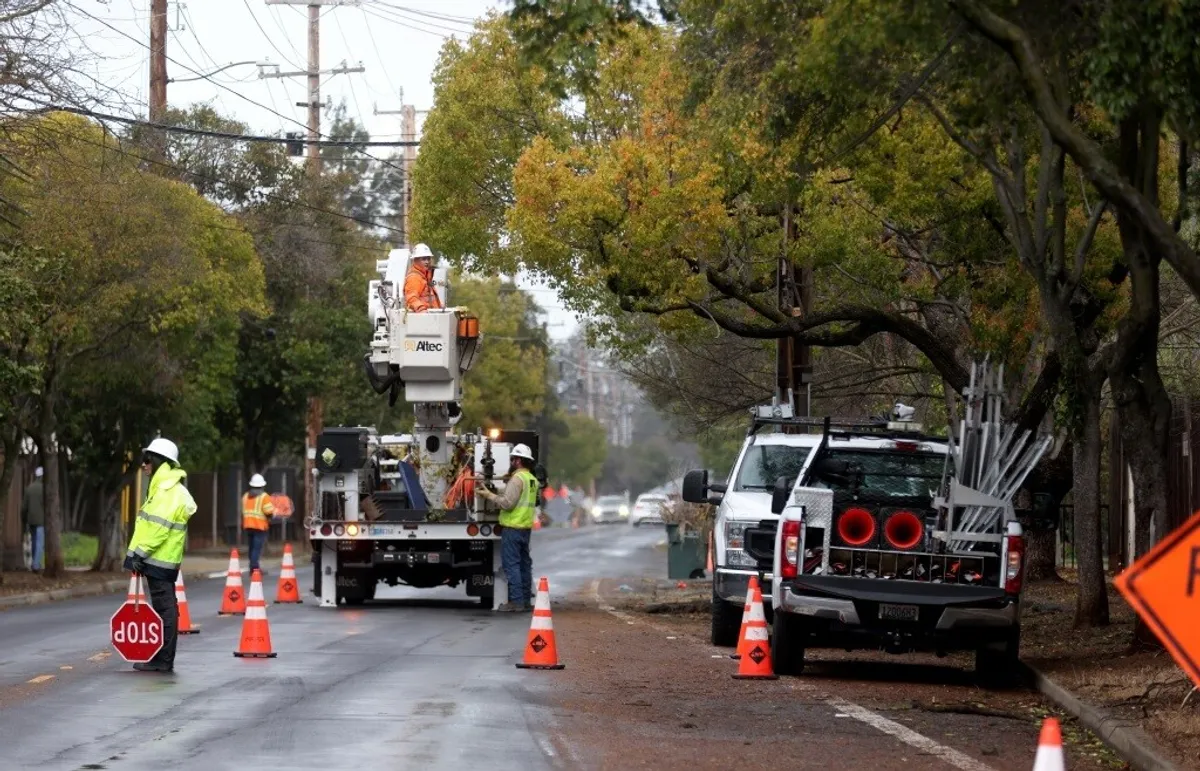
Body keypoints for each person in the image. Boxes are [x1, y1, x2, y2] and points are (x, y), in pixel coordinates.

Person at [123, 437, 197, 673]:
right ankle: (162, 658)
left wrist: (139, 554)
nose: (143, 465)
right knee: (165, 608)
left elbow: (158, 528)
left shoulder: (166, 491)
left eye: (147, 460)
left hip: (157, 560)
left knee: (165, 609)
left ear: (158, 460)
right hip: (161, 560)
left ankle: (163, 660)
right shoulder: (165, 487)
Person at [477, 443, 538, 612]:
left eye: (512, 459)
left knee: (512, 565)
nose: (511, 462)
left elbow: (507, 503)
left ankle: (516, 602)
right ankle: (525, 600)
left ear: (518, 461)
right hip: (525, 528)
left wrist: (488, 494)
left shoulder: (517, 479)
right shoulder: (531, 479)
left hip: (512, 527)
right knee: (524, 565)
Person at [242, 473, 276, 576]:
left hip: (248, 525)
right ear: (262, 485)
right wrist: (272, 515)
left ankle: (252, 567)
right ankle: (255, 569)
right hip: (259, 526)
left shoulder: (245, 496)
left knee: (251, 548)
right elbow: (268, 512)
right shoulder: (264, 496)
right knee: (256, 548)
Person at [403, 243, 443, 312]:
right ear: (415, 260)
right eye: (424, 259)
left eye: (428, 258)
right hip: (423, 318)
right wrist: (421, 309)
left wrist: (439, 308)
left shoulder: (425, 277)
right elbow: (411, 298)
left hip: (430, 317)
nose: (427, 262)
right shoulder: (414, 278)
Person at [20, 467, 45, 572]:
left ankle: (35, 562)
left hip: (31, 520)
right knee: (40, 542)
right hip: (41, 520)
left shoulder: (29, 488)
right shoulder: (45, 488)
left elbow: (24, 507)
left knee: (34, 541)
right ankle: (36, 565)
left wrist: (24, 520)